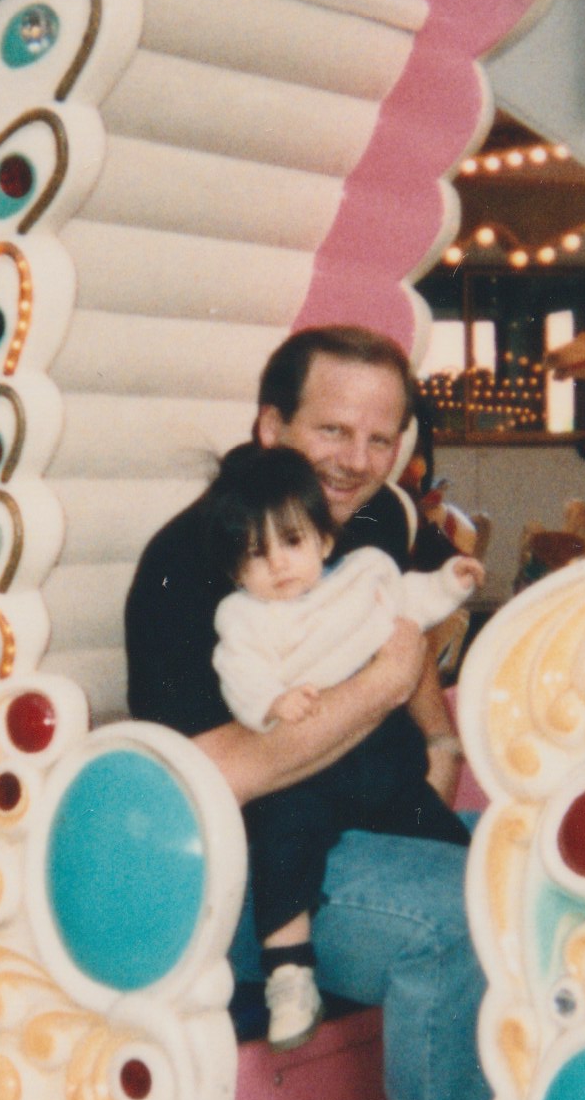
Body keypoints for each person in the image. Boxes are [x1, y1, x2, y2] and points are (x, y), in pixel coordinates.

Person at [126, 325, 490, 1100]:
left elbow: (405, 619)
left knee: (536, 873)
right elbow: (207, 773)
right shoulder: (194, 561)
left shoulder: (368, 518)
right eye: (331, 431)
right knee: (462, 920)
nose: (355, 460)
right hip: (251, 869)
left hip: (363, 821)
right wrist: (380, 689)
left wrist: (437, 735)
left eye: (379, 439)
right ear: (269, 425)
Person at [202, 443, 482, 1047]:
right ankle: (289, 973)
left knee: (434, 828)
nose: (279, 564)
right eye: (256, 554)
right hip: (307, 767)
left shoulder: (362, 577)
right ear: (236, 571)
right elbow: (239, 672)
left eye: (292, 541)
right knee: (283, 840)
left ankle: (465, 861)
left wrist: (449, 583)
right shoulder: (245, 618)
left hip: (377, 756)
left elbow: (408, 602)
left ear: (324, 541)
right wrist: (271, 702)